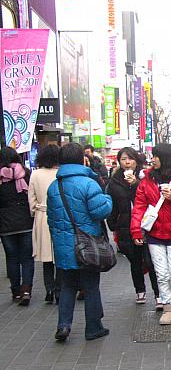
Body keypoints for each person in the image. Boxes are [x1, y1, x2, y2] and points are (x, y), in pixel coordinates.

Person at [46, 143, 113, 341]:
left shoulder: (54, 186)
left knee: (67, 286)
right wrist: (108, 198)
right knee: (91, 286)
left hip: (63, 246)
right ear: (82, 159)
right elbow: (101, 211)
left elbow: (51, 219)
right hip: (87, 244)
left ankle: (63, 325)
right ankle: (93, 327)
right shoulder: (88, 183)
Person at [131, 143, 171, 325]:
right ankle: (167, 306)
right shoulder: (147, 180)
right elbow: (139, 207)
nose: (153, 159)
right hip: (155, 234)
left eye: (156, 156)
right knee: (161, 274)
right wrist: (136, 229)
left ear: (166, 158)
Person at [106, 147, 160, 307]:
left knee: (150, 261)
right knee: (135, 261)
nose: (127, 162)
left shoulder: (146, 177)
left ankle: (158, 294)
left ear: (136, 160)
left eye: (130, 158)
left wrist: (136, 184)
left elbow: (152, 197)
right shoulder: (114, 181)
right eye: (123, 159)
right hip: (126, 226)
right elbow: (112, 205)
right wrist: (113, 224)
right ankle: (140, 290)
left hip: (147, 225)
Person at [0, 147, 34, 305]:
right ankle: (26, 290)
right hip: (25, 221)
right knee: (27, 258)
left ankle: (16, 292)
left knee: (12, 258)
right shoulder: (26, 173)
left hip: (5, 225)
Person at [28, 144, 60, 304]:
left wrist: (35, 211)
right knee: (59, 255)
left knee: (47, 258)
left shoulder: (35, 174)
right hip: (60, 215)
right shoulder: (61, 173)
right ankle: (59, 290)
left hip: (42, 215)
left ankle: (49, 289)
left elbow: (31, 200)